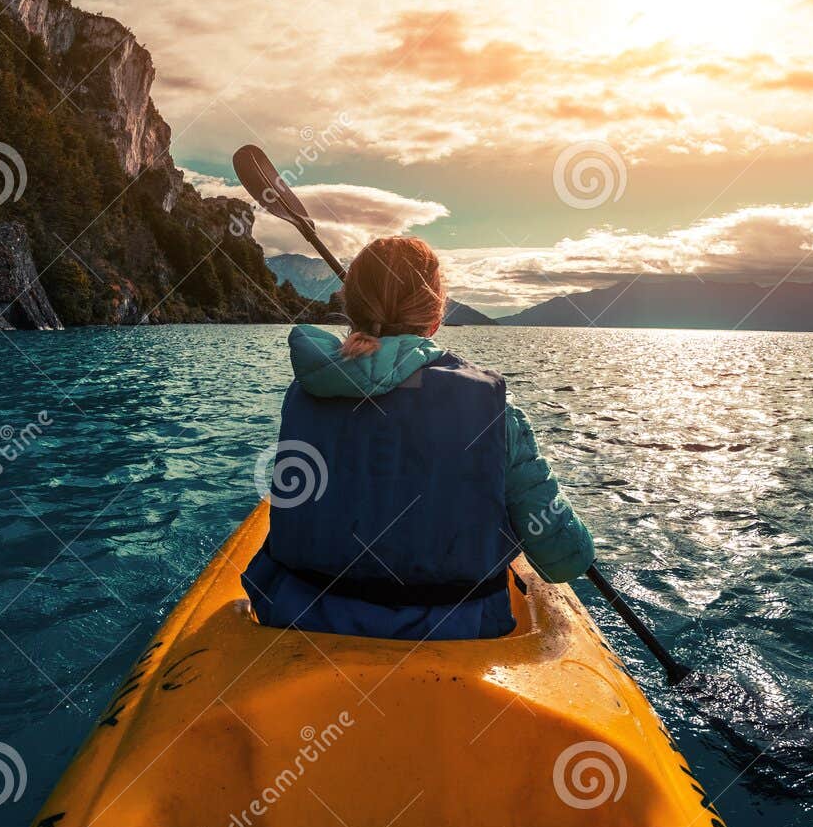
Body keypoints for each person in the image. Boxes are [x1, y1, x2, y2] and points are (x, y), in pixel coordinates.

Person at [242, 236, 596, 640]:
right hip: (457, 632)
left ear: (350, 313)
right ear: (435, 319)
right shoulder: (495, 410)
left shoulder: (305, 391)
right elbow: (564, 561)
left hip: (300, 622)